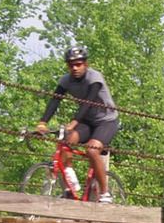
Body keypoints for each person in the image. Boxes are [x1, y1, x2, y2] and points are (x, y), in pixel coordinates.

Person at [36, 46, 119, 203]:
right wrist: (42, 123)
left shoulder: (94, 77)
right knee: (66, 142)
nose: (75, 68)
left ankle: (105, 193)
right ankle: (70, 187)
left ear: (85, 64)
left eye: (78, 64)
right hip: (87, 122)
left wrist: (73, 122)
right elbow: (55, 100)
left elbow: (87, 102)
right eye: (71, 65)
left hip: (106, 121)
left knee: (92, 151)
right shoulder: (66, 80)